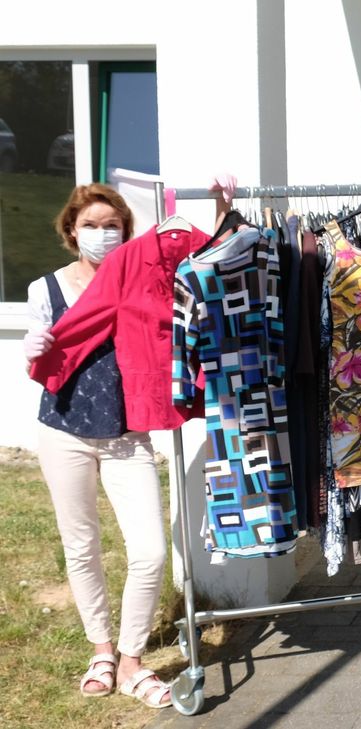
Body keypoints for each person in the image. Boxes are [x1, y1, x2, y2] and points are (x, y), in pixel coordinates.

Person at [22, 184, 171, 708]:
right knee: (81, 545)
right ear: (71, 230)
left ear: (126, 230)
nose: (103, 234)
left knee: (151, 550)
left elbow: (191, 256)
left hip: (127, 435)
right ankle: (103, 652)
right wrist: (32, 345)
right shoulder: (48, 289)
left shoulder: (141, 282)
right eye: (92, 224)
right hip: (64, 431)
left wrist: (222, 207)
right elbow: (38, 360)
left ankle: (132, 660)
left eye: (113, 225)